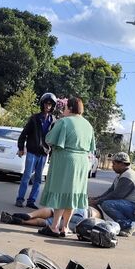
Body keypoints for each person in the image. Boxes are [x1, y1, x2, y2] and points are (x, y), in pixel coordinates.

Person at [37, 96, 95, 238]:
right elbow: (91, 147)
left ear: (69, 108)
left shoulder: (64, 122)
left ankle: (54, 226)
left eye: (65, 107)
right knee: (73, 194)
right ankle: (65, 227)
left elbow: (49, 139)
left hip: (65, 159)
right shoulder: (88, 125)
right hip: (82, 161)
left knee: (61, 193)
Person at [89, 152, 135, 236]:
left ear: (122, 164)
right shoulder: (121, 175)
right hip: (132, 206)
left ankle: (128, 226)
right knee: (103, 201)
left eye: (114, 163)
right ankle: (127, 224)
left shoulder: (128, 176)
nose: (112, 166)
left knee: (107, 204)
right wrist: (96, 199)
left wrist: (97, 201)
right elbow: (110, 191)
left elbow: (116, 195)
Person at [15, 93, 56, 208]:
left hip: (43, 154)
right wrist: (21, 148)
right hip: (32, 152)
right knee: (27, 176)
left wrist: (52, 154)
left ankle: (31, 201)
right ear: (42, 104)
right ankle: (20, 199)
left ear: (53, 106)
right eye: (46, 103)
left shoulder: (53, 121)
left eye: (50, 104)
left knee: (38, 179)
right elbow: (24, 134)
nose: (48, 106)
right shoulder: (34, 118)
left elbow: (53, 139)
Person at [0, 206, 102, 232]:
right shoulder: (101, 221)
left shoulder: (95, 208)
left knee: (53, 211)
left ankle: (30, 214)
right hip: (82, 222)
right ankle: (23, 221)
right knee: (49, 222)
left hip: (84, 211)